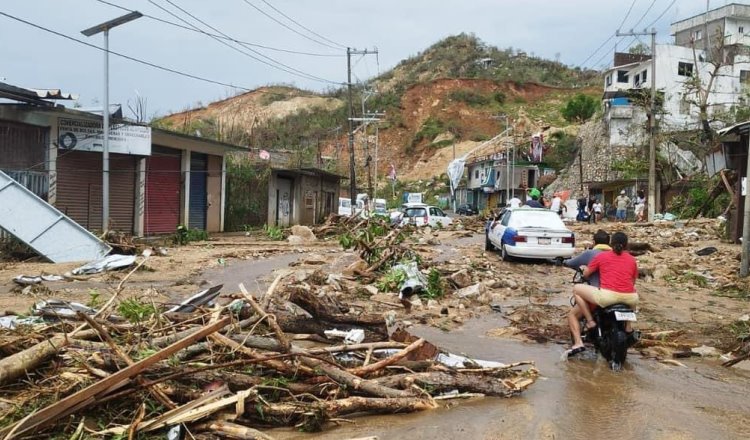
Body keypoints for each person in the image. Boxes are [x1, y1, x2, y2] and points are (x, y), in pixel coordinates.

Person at [567, 232, 639, 355]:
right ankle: (628, 327)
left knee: (576, 289)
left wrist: (584, 270)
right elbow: (633, 281)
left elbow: (585, 274)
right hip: (631, 298)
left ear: (611, 243)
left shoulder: (601, 257)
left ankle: (588, 325)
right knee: (631, 295)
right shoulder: (632, 260)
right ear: (626, 245)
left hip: (607, 297)